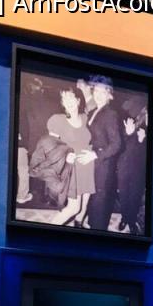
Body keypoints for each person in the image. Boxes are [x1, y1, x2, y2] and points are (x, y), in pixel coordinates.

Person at [47, 88, 96, 227]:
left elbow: (94, 139)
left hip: (88, 165)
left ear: (78, 100)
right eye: (64, 98)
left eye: (71, 97)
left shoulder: (86, 118)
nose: (68, 101)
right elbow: (50, 146)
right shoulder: (57, 120)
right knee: (74, 207)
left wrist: (93, 154)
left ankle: (77, 229)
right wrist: (64, 156)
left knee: (84, 205)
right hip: (72, 168)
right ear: (62, 103)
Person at [82, 76, 122, 232]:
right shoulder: (93, 111)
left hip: (103, 164)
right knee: (93, 197)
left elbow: (116, 144)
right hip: (93, 161)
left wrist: (95, 155)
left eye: (102, 91)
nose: (98, 94)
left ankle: (98, 231)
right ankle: (92, 224)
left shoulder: (110, 114)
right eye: (96, 91)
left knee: (100, 200)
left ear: (109, 95)